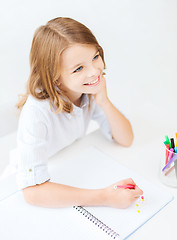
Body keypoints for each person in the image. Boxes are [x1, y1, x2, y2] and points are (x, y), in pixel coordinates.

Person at [15, 17, 143, 208]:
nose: (94, 72)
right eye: (79, 68)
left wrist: (104, 102)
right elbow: (33, 193)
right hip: (43, 177)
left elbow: (126, 139)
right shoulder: (36, 113)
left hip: (73, 160)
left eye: (95, 57)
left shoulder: (87, 89)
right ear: (55, 78)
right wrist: (105, 197)